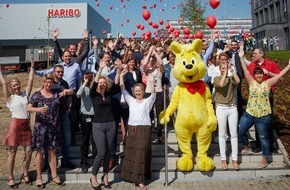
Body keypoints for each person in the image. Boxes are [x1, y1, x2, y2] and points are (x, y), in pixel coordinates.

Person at [238, 43, 290, 169]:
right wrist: (241, 56)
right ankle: (246, 146)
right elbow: (245, 70)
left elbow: (279, 76)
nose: (259, 75)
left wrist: (288, 67)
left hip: (263, 116)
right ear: (254, 75)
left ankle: (264, 159)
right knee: (241, 130)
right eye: (257, 74)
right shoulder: (251, 82)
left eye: (261, 74)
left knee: (263, 138)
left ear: (263, 75)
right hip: (250, 113)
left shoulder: (267, 83)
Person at [0, 56, 35, 188]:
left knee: (29, 151)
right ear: (11, 87)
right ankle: (10, 177)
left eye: (17, 84)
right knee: (12, 152)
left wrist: (32, 66)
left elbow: (31, 79)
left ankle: (25, 173)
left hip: (26, 125)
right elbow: (4, 83)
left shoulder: (26, 94)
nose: (16, 86)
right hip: (15, 125)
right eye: (14, 85)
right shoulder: (10, 98)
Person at [120, 66, 156, 190]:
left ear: (143, 90)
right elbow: (123, 88)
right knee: (132, 154)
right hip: (133, 130)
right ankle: (133, 178)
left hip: (144, 130)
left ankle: (140, 181)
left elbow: (153, 93)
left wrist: (151, 81)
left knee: (141, 154)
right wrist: (121, 75)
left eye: (139, 91)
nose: (137, 93)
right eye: (136, 91)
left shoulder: (148, 101)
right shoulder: (131, 100)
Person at [27, 74, 65, 188]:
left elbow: (70, 91)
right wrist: (38, 109)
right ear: (43, 82)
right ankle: (39, 177)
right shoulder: (37, 95)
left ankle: (54, 176)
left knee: (53, 152)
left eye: (50, 82)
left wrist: (66, 92)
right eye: (47, 82)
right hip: (41, 128)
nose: (49, 84)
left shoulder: (55, 92)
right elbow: (28, 108)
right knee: (40, 152)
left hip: (54, 128)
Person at [89, 59, 118, 189]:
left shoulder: (109, 93)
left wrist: (119, 69)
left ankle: (105, 176)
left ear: (106, 83)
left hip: (111, 124)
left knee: (108, 153)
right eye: (99, 82)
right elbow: (95, 83)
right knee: (101, 152)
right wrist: (100, 69)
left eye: (103, 82)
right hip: (98, 126)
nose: (101, 84)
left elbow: (116, 83)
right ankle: (93, 176)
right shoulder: (93, 95)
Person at [247, 48, 280, 153]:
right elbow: (248, 79)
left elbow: (280, 77)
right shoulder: (251, 65)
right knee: (256, 118)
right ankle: (258, 144)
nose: (253, 55)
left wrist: (268, 73)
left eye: (255, 53)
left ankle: (271, 143)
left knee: (267, 119)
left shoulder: (270, 64)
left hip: (267, 95)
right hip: (255, 96)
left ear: (261, 54)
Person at [213, 60, 240, 171]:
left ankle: (235, 159)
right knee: (222, 134)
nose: (225, 69)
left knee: (233, 134)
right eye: (222, 68)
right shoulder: (216, 79)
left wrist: (232, 70)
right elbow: (221, 84)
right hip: (221, 108)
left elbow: (238, 81)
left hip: (232, 107)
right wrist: (224, 73)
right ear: (219, 69)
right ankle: (223, 159)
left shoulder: (231, 79)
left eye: (226, 68)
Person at [77, 71, 96, 173]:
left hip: (94, 115)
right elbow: (78, 94)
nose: (89, 79)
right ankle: (84, 161)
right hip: (85, 115)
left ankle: (94, 160)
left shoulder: (94, 88)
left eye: (90, 77)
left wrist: (93, 81)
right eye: (87, 77)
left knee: (95, 139)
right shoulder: (83, 88)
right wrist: (84, 83)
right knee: (85, 138)